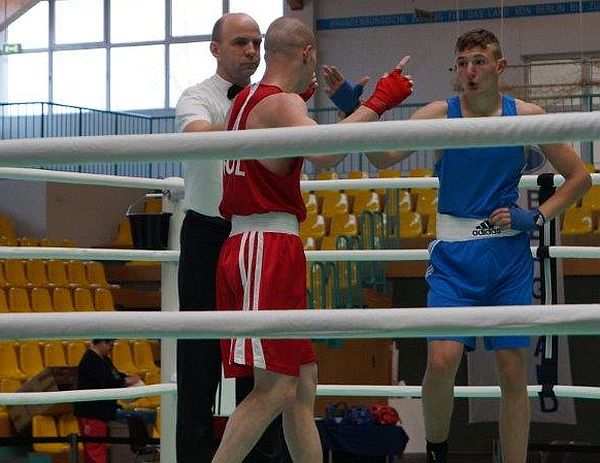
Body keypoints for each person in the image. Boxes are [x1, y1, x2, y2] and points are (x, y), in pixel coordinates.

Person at [325, 28, 589, 463]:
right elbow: (381, 158)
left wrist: (537, 216)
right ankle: (437, 451)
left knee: (512, 372)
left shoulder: (526, 115)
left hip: (507, 259)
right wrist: (354, 108)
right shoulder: (439, 114)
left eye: (479, 62)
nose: (470, 71)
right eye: (462, 63)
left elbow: (579, 177)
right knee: (441, 361)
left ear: (499, 67)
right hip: (454, 259)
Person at [212, 16, 413, 463]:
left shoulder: (247, 98)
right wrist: (378, 101)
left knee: (302, 384)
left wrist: (328, 105)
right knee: (276, 388)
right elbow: (325, 154)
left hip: (257, 244)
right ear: (307, 54)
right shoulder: (280, 103)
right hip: (265, 246)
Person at [174, 12, 292, 463]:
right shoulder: (197, 96)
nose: (251, 51)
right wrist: (254, 120)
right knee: (199, 357)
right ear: (215, 49)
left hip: (252, 234)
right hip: (207, 234)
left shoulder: (272, 99)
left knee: (258, 357)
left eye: (257, 43)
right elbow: (197, 136)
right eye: (240, 42)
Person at [74, 339, 140, 463]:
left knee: (97, 449)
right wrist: (125, 381)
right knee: (95, 451)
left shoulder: (104, 359)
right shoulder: (91, 360)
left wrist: (127, 378)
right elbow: (107, 382)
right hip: (91, 413)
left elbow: (114, 375)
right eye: (110, 344)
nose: (112, 347)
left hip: (100, 413)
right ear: (102, 342)